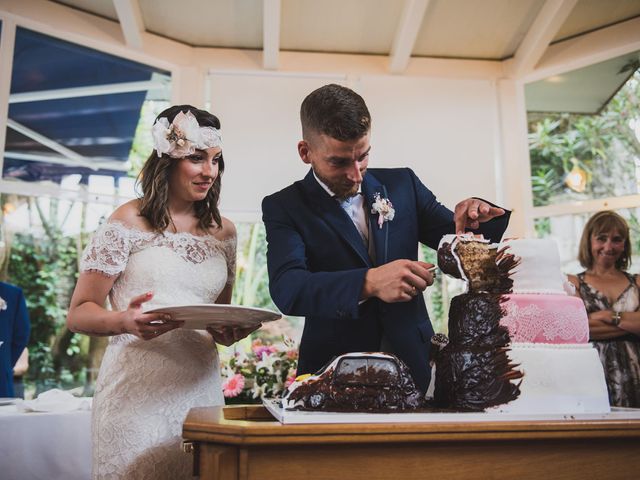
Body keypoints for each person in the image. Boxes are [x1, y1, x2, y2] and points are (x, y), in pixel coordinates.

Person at [261, 84, 510, 393]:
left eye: (363, 157)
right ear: (305, 152)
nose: (356, 174)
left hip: (413, 362)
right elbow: (289, 289)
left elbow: (458, 239)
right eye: (339, 162)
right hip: (333, 371)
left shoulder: (403, 183)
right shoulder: (284, 206)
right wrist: (370, 282)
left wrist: (477, 213)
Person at [68, 105, 254, 479]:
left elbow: (218, 315)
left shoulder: (225, 233)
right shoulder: (127, 221)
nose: (209, 172)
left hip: (200, 393)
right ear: (166, 159)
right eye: (197, 159)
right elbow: (78, 313)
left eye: (216, 160)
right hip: (135, 394)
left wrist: (229, 331)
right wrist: (123, 320)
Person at [568, 210, 640, 407]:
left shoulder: (637, 282)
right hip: (591, 375)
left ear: (624, 245)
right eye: (601, 238)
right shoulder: (573, 283)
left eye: (617, 239)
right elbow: (577, 330)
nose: (608, 246)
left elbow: (588, 326)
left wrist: (611, 316)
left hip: (636, 376)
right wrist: (631, 322)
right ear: (589, 241)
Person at [0, 281, 30, 398]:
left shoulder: (13, 294)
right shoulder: (12, 293)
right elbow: (21, 336)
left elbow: (21, 336)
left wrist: (5, 363)